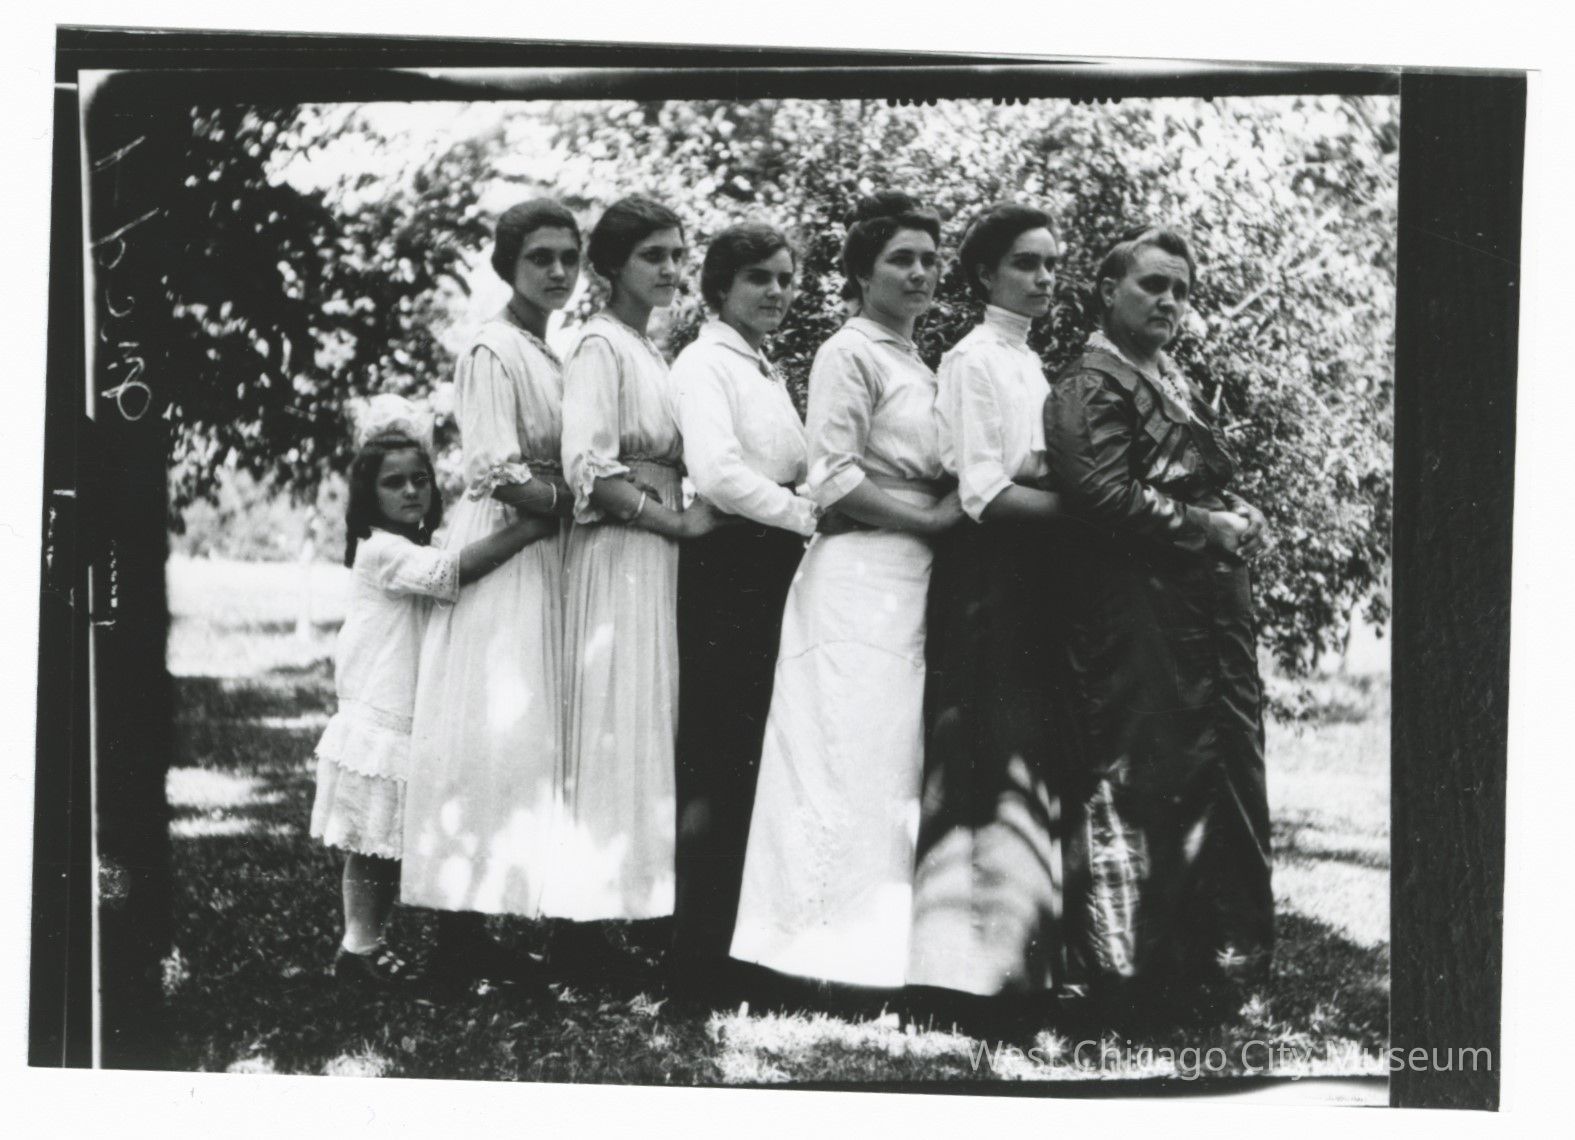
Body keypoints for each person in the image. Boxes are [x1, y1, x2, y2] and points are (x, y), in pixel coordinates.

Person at [731, 192, 964, 991]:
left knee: (889, 764)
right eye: (901, 259)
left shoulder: (920, 362)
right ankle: (807, 957)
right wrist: (930, 519)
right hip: (857, 576)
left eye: (930, 260)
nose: (920, 273)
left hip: (910, 580)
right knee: (840, 758)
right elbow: (832, 479)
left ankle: (872, 954)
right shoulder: (848, 351)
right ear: (862, 274)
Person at [1043, 226, 1273, 1020]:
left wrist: (1238, 510)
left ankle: (1217, 965)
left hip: (1202, 615)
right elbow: (1098, 492)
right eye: (1151, 284)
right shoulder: (1089, 383)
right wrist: (1205, 527)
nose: (1168, 300)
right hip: (1134, 614)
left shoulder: (1164, 376)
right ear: (1108, 291)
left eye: (1179, 289)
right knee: (1146, 774)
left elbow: (1195, 475)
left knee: (1218, 770)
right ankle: (1135, 978)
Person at [399, 201, 581, 988]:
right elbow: (498, 469)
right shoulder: (490, 347)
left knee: (525, 733)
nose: (557, 270)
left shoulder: (554, 350)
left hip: (547, 548)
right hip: (505, 546)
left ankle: (493, 920)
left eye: (568, 256)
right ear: (507, 265)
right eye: (540, 257)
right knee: (485, 727)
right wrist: (582, 498)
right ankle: (456, 936)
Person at [310, 404, 555, 987]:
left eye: (420, 480)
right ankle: (358, 945)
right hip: (382, 713)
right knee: (371, 844)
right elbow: (450, 573)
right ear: (367, 495)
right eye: (393, 483)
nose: (411, 491)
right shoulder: (380, 550)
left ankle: (372, 942)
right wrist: (526, 530)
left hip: (409, 710)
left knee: (387, 842)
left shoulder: (411, 542)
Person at [908, 203, 1072, 1015]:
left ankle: (1021, 964)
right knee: (982, 756)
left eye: (1050, 265)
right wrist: (1093, 515)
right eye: (1025, 264)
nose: (1043, 279)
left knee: (1023, 760)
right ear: (983, 274)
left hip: (1032, 569)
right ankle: (964, 978)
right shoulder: (971, 359)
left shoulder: (1028, 360)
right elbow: (981, 490)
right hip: (988, 573)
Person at [548, 196, 726, 930]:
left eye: (678, 255)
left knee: (647, 717)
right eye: (653, 256)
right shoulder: (599, 345)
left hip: (654, 552)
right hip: (622, 548)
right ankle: (584, 923)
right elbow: (589, 468)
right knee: (614, 717)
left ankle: (633, 907)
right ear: (611, 266)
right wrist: (676, 522)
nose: (671, 269)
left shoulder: (649, 348)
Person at [667, 223, 817, 990]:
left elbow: (791, 462)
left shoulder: (762, 367)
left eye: (786, 278)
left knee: (759, 753)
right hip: (729, 567)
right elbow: (719, 475)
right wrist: (803, 515)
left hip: (770, 563)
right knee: (720, 754)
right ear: (719, 287)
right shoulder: (704, 364)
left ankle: (744, 947)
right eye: (759, 277)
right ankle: (699, 959)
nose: (776, 291)